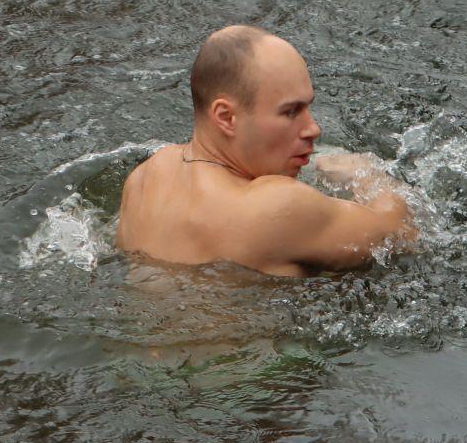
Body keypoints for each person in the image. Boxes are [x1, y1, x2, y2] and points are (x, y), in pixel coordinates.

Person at [115, 25, 418, 277]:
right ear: (225, 117)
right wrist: (366, 177)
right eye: (290, 112)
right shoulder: (275, 208)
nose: (313, 128)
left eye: (308, 108)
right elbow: (402, 233)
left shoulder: (143, 180)